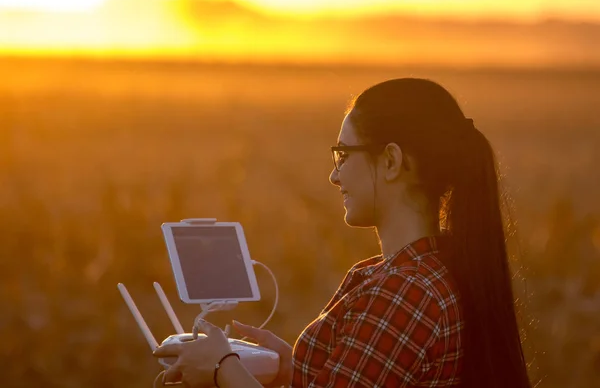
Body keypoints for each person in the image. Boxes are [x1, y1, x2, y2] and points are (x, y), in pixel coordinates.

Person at [154, 78, 532, 388]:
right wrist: (294, 370)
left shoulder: (404, 294)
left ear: (390, 161)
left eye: (343, 155)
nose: (334, 176)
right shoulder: (421, 272)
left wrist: (225, 368)